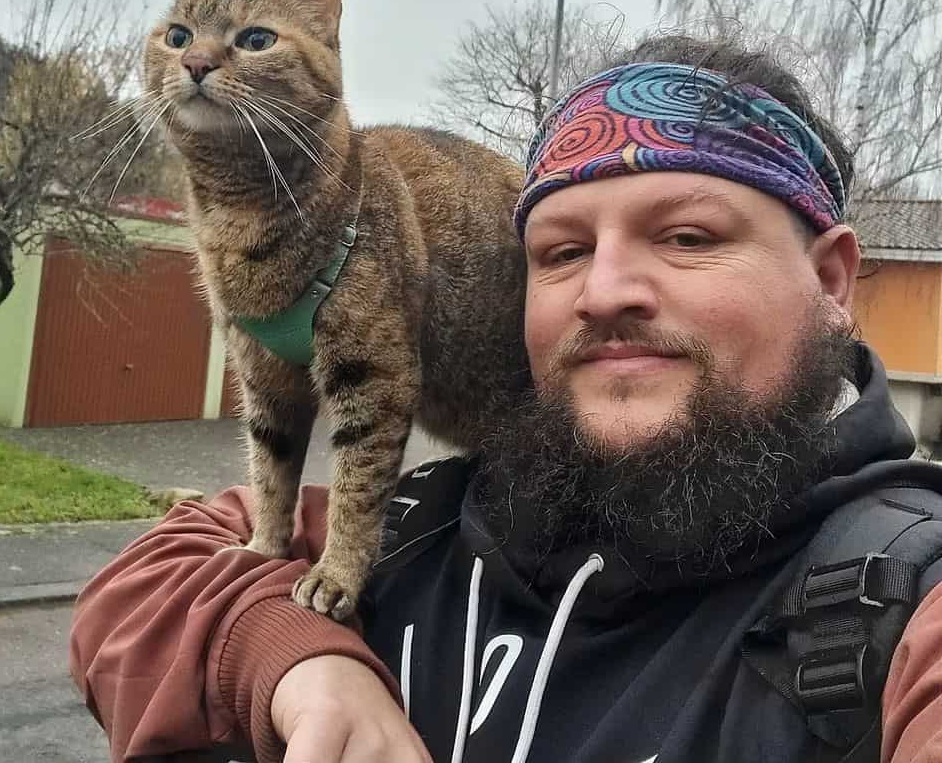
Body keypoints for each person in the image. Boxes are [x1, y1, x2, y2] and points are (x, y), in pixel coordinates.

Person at [69, 37, 942, 763]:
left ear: (831, 280)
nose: (603, 293)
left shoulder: (905, 597)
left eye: (686, 237)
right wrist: (297, 662)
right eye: (560, 252)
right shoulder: (427, 528)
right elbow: (152, 577)